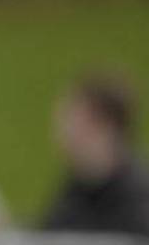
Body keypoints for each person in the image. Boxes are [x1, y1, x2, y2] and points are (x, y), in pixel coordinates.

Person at [43, 73, 149, 236]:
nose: (65, 130)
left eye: (76, 120)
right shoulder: (78, 187)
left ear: (106, 126)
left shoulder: (138, 199)